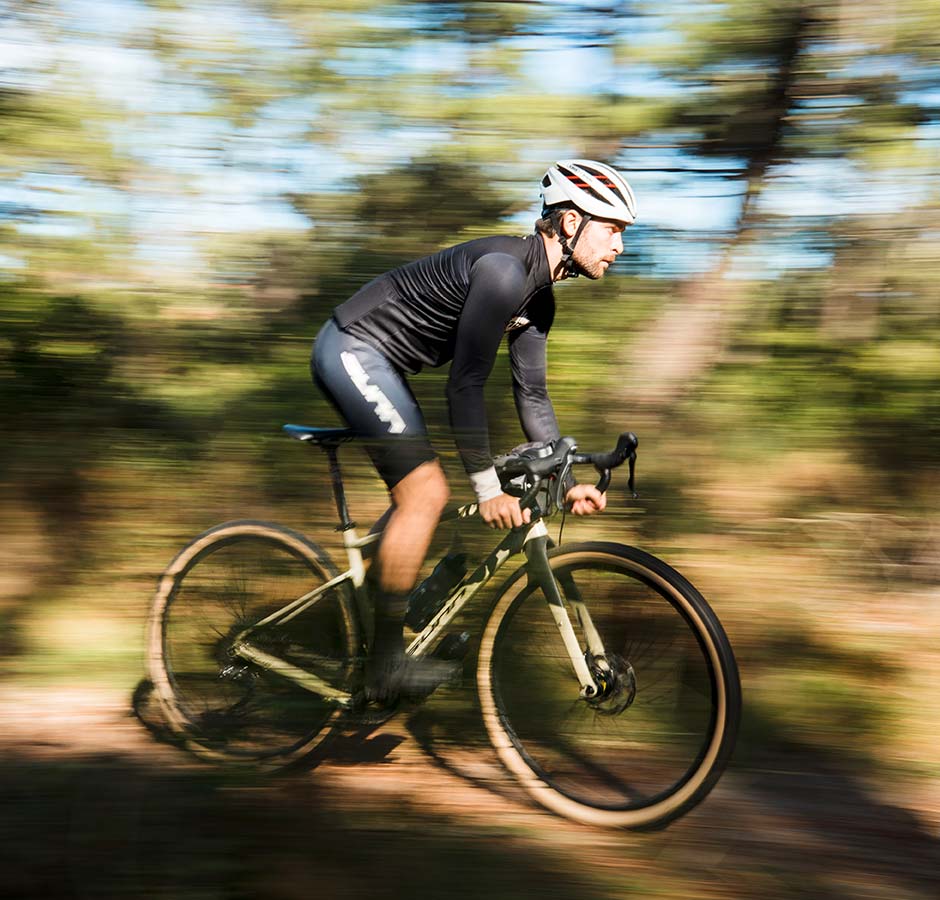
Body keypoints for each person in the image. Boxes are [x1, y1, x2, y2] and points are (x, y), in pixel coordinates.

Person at [310, 159, 637, 703]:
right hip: (350, 348)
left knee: (466, 488)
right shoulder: (505, 272)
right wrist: (484, 488)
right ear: (571, 222)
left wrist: (563, 480)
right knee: (429, 491)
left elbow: (531, 396)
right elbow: (464, 385)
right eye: (613, 230)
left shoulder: (539, 298)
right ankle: (384, 666)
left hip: (385, 365)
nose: (619, 247)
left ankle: (377, 605)